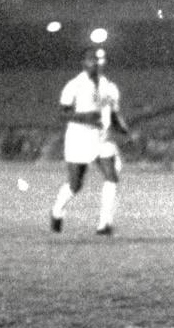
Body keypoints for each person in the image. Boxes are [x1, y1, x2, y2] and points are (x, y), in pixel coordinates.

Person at [50, 47, 130, 236]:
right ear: (84, 62)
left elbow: (113, 113)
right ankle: (57, 211)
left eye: (99, 59)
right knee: (75, 184)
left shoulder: (110, 87)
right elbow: (62, 113)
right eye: (92, 59)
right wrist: (86, 117)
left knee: (111, 176)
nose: (96, 62)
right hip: (78, 138)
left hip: (102, 138)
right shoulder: (74, 85)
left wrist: (122, 127)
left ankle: (104, 224)